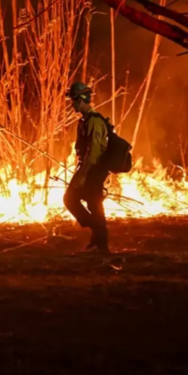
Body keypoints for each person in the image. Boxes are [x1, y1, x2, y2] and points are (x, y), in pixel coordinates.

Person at [64, 82, 111, 253]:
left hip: (94, 170)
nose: (72, 104)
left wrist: (83, 175)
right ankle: (98, 236)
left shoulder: (94, 121)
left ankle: (102, 244)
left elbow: (94, 151)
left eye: (74, 100)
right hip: (88, 168)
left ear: (81, 100)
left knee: (92, 205)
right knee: (79, 201)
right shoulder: (85, 121)